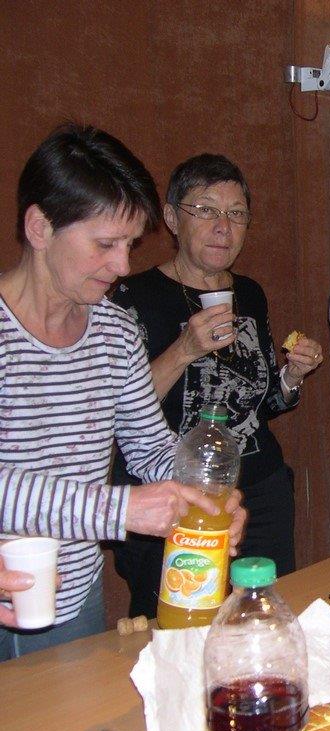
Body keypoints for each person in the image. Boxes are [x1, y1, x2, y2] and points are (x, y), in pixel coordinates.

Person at [0, 125, 245, 660]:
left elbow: (149, 446)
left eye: (129, 245)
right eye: (105, 244)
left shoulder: (114, 331)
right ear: (40, 227)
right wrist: (122, 509)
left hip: (74, 595)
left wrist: (207, 496)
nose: (122, 266)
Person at [109, 154, 322, 618]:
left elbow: (260, 405)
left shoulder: (250, 293)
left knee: (261, 617)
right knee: (176, 622)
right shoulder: (131, 297)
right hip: (173, 495)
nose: (223, 226)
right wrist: (184, 349)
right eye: (206, 210)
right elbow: (117, 411)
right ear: (171, 218)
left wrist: (291, 376)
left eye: (236, 213)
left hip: (259, 490)